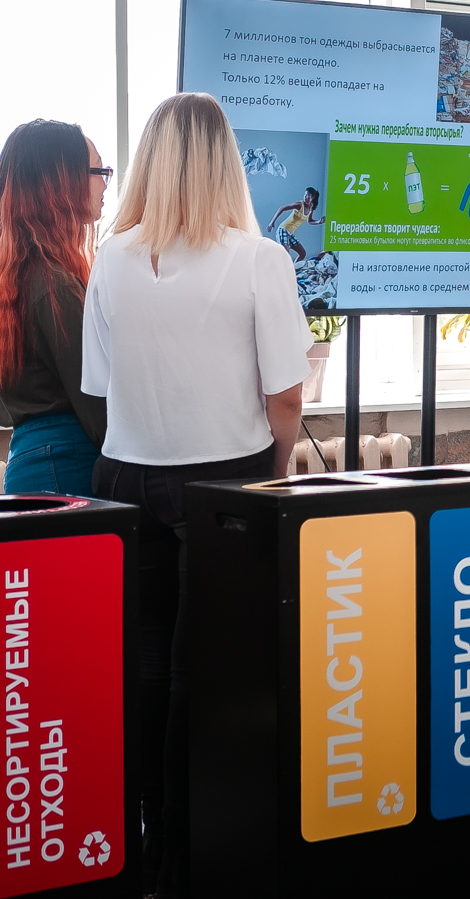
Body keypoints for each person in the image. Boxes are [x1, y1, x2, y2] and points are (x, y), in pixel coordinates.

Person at [83, 93, 310, 898]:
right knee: (200, 674)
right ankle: (185, 853)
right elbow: (286, 395)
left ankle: (143, 844)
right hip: (224, 483)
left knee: (141, 665)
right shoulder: (259, 259)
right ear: (224, 161)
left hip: (122, 480)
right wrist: (277, 468)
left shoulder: (109, 259)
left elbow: (101, 388)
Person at [0, 120, 109, 494]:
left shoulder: (18, 276)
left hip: (31, 461)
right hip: (68, 466)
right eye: (98, 171)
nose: (106, 183)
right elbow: (95, 405)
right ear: (59, 183)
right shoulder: (53, 283)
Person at [266, 186, 323, 262]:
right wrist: (272, 223)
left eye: (308, 195)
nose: (306, 197)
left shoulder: (311, 208)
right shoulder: (299, 205)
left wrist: (319, 221)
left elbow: (309, 221)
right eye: (305, 195)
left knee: (302, 253)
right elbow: (282, 208)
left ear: (313, 197)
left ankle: (294, 268)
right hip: (283, 229)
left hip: (290, 233)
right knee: (286, 255)